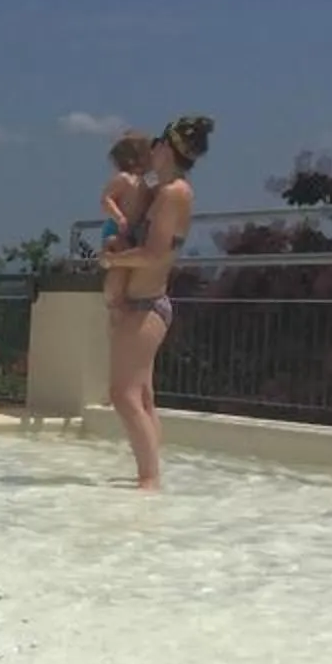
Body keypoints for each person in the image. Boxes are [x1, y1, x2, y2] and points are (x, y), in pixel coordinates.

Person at [100, 114, 214, 490]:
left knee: (123, 395)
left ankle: (149, 478)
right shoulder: (158, 186)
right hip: (139, 301)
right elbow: (130, 202)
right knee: (143, 397)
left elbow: (154, 255)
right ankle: (148, 473)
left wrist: (114, 261)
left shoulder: (173, 193)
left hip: (147, 304)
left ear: (165, 148)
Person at [99, 132, 153, 260]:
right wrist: (119, 217)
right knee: (118, 247)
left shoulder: (147, 180)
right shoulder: (123, 178)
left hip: (136, 229)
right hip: (117, 228)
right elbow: (106, 199)